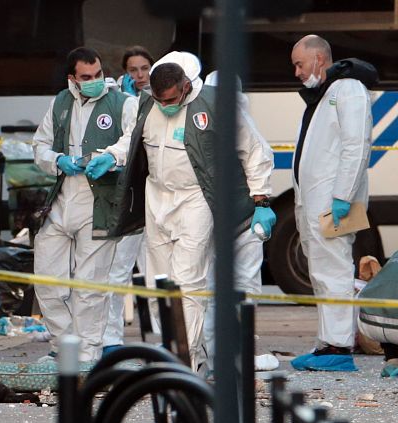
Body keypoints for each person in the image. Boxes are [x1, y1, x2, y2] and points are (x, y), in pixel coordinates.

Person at [110, 51, 275, 372]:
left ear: (185, 86)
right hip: (157, 198)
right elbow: (129, 141)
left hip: (195, 199)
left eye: (171, 100)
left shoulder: (215, 104)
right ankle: (171, 349)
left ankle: (188, 361)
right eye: (159, 100)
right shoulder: (148, 105)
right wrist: (110, 156)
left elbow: (254, 151)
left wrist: (261, 200)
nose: (165, 106)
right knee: (159, 284)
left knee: (189, 284)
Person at [32, 46, 136, 362]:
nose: (95, 81)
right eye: (86, 77)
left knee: (90, 287)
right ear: (72, 79)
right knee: (47, 281)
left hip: (99, 203)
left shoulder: (122, 103)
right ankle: (64, 347)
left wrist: (111, 156)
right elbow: (39, 146)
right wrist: (58, 160)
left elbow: (134, 138)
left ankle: (88, 356)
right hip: (62, 200)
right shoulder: (60, 104)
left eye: (98, 74)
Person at [288, 35, 376, 370]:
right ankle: (327, 343)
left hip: (333, 202)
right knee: (322, 271)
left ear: (319, 59)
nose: (297, 72)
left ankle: (338, 348)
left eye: (299, 64)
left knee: (335, 270)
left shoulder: (349, 89)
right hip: (318, 201)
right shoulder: (325, 93)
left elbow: (357, 146)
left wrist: (342, 196)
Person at [201, 70, 275, 374]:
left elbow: (259, 158)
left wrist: (261, 204)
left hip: (238, 220)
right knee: (217, 290)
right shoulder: (210, 123)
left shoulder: (234, 124)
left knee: (232, 289)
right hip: (221, 220)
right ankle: (221, 355)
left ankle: (230, 353)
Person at [103, 46, 154, 354]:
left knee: (158, 272)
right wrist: (127, 102)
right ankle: (111, 339)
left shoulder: (164, 99)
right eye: (133, 70)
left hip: (159, 199)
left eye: (144, 68)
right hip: (130, 199)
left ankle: (166, 338)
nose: (139, 75)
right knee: (118, 268)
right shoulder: (118, 103)